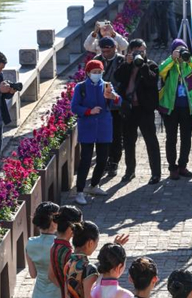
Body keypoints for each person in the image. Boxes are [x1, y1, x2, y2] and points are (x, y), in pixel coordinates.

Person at [70, 59, 122, 205]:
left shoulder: (106, 85)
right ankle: (80, 191)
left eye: (99, 72)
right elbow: (74, 107)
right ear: (88, 73)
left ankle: (94, 185)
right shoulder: (80, 87)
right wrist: (89, 111)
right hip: (87, 127)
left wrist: (113, 97)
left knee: (102, 159)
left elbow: (119, 101)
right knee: (86, 160)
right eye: (94, 72)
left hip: (104, 127)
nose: (97, 74)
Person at [114, 39, 163, 184]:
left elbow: (151, 81)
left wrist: (142, 66)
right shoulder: (126, 64)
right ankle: (130, 171)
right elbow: (117, 77)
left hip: (144, 109)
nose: (139, 54)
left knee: (151, 141)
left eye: (142, 51)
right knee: (129, 142)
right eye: (136, 51)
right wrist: (127, 64)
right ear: (130, 51)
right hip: (129, 108)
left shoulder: (151, 65)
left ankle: (156, 173)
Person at [158, 39, 192, 182]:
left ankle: (182, 165)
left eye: (183, 49)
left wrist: (189, 59)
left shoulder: (190, 64)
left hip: (188, 108)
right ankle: (172, 167)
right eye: (178, 50)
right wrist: (171, 58)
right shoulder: (169, 64)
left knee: (186, 138)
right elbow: (160, 71)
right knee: (171, 138)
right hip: (171, 108)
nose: (180, 53)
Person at [92, 37, 125, 176]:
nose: (105, 54)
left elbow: (125, 81)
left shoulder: (121, 60)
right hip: (100, 105)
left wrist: (114, 93)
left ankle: (114, 161)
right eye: (103, 51)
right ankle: (103, 160)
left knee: (116, 135)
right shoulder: (97, 60)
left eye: (108, 51)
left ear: (114, 48)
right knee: (101, 135)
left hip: (116, 104)